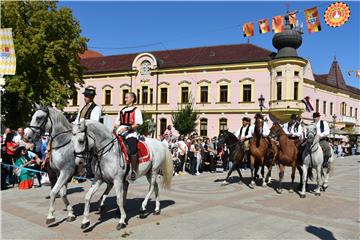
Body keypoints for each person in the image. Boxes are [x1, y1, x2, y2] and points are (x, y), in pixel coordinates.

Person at [115, 92, 143, 181]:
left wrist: (127, 128)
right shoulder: (121, 110)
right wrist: (114, 127)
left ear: (132, 99)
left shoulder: (136, 110)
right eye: (125, 98)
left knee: (132, 149)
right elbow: (117, 122)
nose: (125, 99)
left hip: (131, 133)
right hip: (119, 132)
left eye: (127, 97)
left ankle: (133, 170)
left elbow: (138, 123)